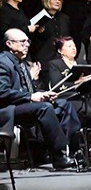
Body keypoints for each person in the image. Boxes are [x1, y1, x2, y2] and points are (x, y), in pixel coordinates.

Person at [0, 28, 80, 169]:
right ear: (9, 44)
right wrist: (31, 96)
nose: (27, 44)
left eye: (28, 41)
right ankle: (58, 156)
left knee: (63, 104)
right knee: (45, 108)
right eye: (22, 42)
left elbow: (29, 90)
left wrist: (44, 94)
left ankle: (74, 150)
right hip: (9, 108)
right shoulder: (3, 62)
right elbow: (3, 92)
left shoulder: (22, 63)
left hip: (25, 104)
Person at [29, 0, 70, 87]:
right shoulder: (39, 17)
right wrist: (40, 33)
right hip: (45, 60)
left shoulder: (65, 18)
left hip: (62, 60)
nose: (57, 1)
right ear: (47, 0)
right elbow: (33, 41)